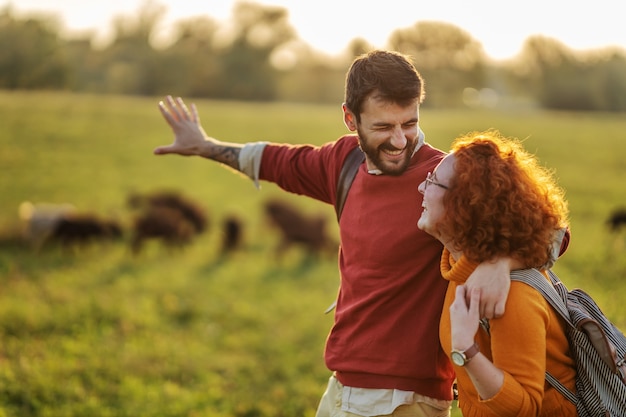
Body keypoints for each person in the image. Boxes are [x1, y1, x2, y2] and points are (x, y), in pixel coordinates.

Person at [154, 50, 513, 417]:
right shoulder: (345, 162)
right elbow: (277, 161)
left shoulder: (445, 178)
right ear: (349, 118)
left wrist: (499, 262)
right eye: (382, 127)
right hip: (343, 387)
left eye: (409, 123)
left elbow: (549, 230)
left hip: (406, 399)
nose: (400, 140)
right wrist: (204, 146)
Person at [417, 129, 577, 416]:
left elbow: (525, 408)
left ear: (465, 204)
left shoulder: (512, 294)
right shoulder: (462, 269)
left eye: (432, 182)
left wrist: (466, 349)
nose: (420, 188)